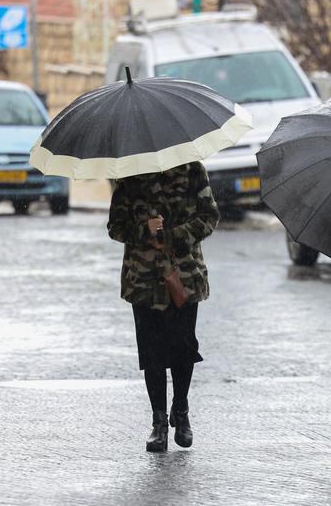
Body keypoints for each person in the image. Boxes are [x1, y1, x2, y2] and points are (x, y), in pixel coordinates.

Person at [107, 161, 219, 452]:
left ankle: (180, 410)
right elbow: (115, 227)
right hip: (143, 278)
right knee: (152, 350)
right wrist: (144, 231)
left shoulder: (193, 170)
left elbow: (209, 216)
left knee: (184, 347)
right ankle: (158, 422)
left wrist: (171, 236)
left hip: (184, 275)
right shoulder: (129, 175)